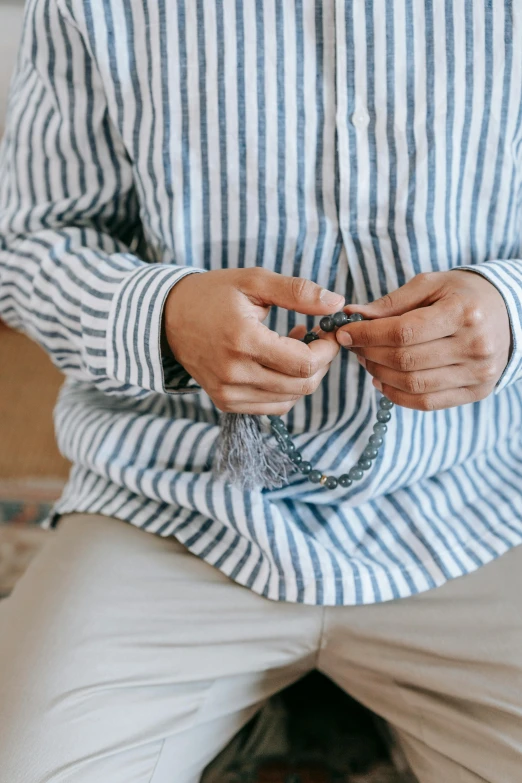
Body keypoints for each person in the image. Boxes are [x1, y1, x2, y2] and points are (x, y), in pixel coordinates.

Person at [0, 1, 521, 781]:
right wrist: (166, 317)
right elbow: (31, 242)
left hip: (479, 498)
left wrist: (509, 309)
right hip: (172, 503)